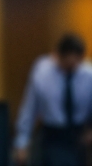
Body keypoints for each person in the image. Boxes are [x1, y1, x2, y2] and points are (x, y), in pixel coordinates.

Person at [14, 33, 92, 166]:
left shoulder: (88, 75)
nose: (69, 69)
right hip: (52, 136)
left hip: (78, 136)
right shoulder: (42, 72)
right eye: (66, 65)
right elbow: (29, 108)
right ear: (57, 56)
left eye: (73, 66)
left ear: (81, 58)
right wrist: (22, 142)